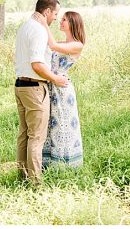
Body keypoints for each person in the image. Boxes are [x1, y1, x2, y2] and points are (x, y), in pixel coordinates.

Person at [13, 0, 68, 185]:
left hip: (20, 85)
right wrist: (56, 79)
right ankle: (36, 184)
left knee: (24, 134)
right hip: (35, 88)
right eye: (55, 13)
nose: (55, 18)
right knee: (36, 138)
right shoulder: (38, 30)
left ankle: (22, 177)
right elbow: (37, 64)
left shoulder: (25, 26)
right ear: (46, 11)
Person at [42, 9, 85, 169]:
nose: (60, 22)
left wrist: (43, 21)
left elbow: (51, 45)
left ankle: (66, 163)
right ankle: (49, 161)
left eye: (64, 20)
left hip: (62, 88)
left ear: (73, 23)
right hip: (52, 84)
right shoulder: (63, 43)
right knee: (50, 122)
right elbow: (49, 45)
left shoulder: (77, 45)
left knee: (63, 122)